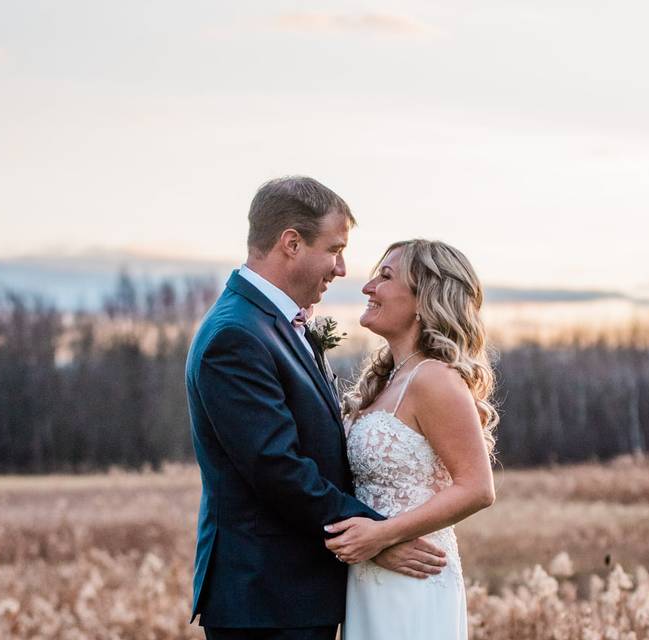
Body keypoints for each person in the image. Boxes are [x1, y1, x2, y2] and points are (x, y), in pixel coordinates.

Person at [184, 178, 448, 640]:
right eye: (334, 249)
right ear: (291, 243)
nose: (343, 268)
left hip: (295, 594)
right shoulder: (236, 336)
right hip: (268, 599)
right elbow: (277, 468)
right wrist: (375, 538)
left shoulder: (271, 325)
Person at [325, 239, 498, 639]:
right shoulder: (387, 380)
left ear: (426, 300)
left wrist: (382, 535)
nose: (368, 287)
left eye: (385, 277)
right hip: (370, 574)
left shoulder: (433, 378)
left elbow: (477, 488)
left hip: (413, 578)